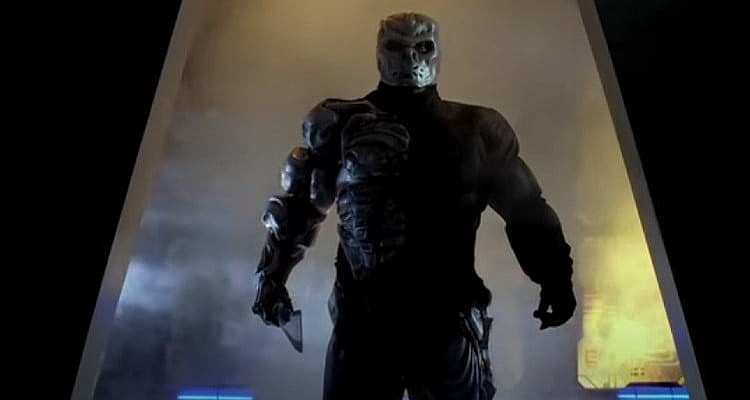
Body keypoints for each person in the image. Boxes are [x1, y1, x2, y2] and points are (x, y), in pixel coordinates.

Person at [251, 12, 576, 400]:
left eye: (421, 47)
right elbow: (298, 207)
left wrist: (555, 277)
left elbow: (526, 211)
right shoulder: (340, 125)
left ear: (437, 53)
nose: (408, 58)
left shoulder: (477, 129)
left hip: (444, 316)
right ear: (379, 52)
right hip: (365, 319)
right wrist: (272, 277)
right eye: (396, 46)